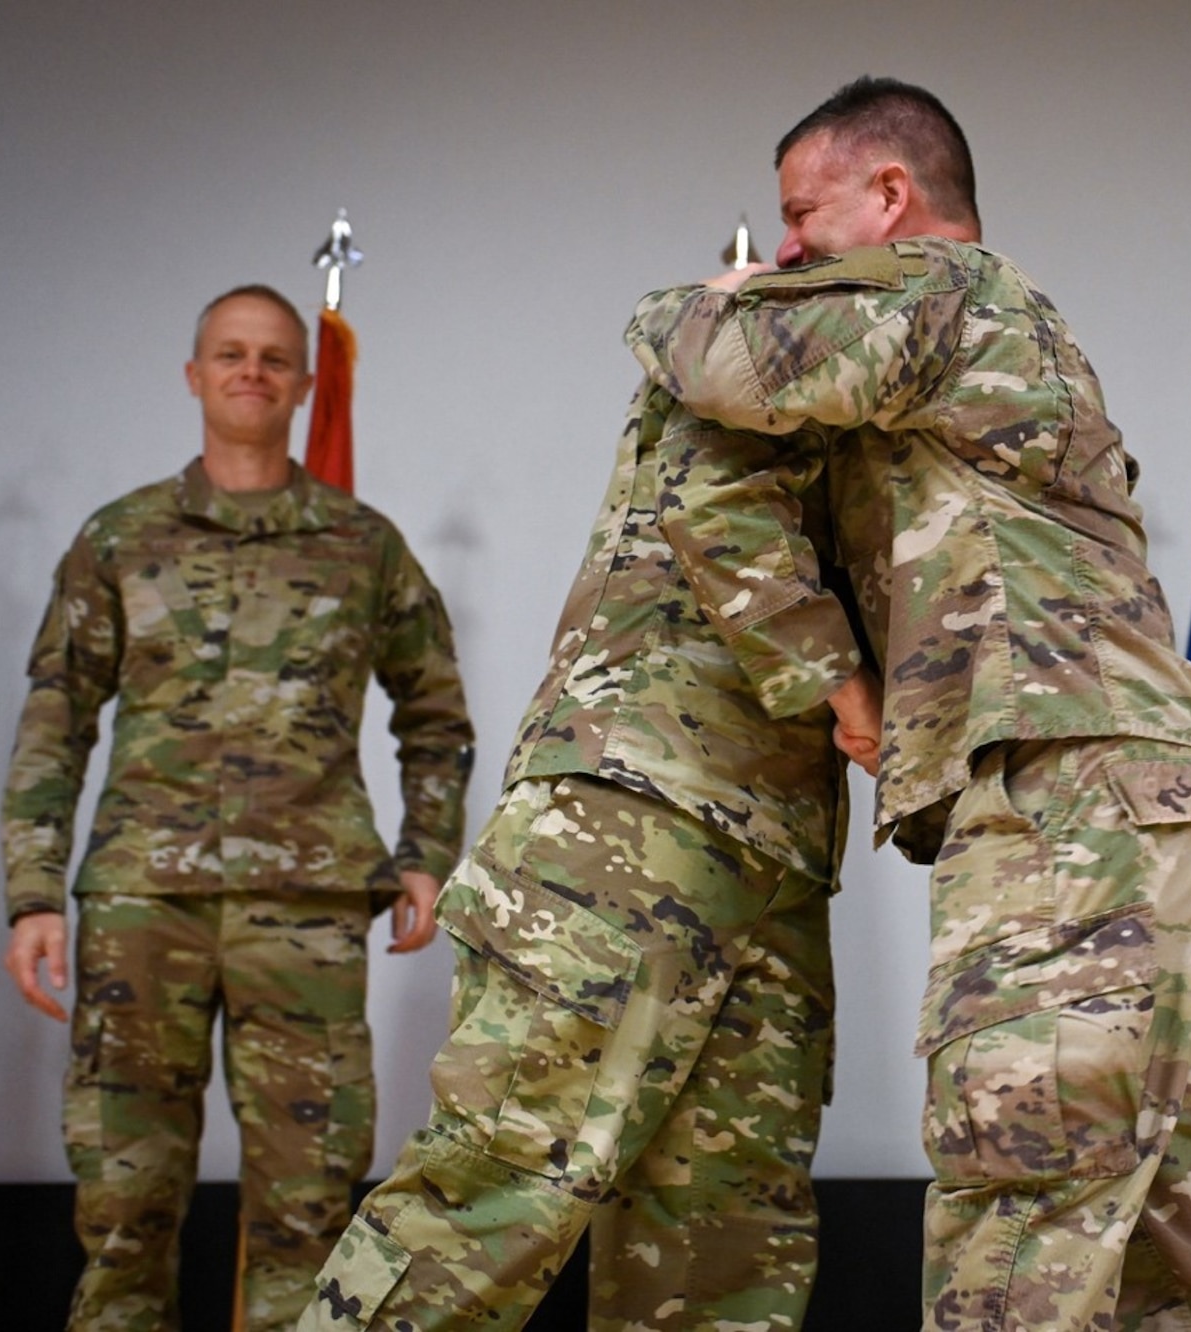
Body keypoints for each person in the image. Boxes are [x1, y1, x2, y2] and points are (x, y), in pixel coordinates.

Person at [628, 76, 1191, 1331]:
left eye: (802, 215)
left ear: (891, 194)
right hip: (1148, 809)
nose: (791, 246)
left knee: (1016, 1210)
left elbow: (726, 363)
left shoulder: (942, 288)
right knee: (1165, 1254)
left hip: (1062, 804)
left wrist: (701, 296)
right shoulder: (1000, 330)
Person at [299, 380, 880, 1330]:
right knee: (502, 1183)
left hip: (779, 850)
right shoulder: (761, 342)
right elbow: (714, 503)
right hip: (631, 811)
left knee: (723, 1231)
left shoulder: (900, 374)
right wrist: (852, 695)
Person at [1, 284, 475, 1332]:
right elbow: (55, 715)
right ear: (193, 375)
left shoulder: (363, 545)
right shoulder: (120, 537)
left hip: (303, 911)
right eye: (230, 354)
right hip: (141, 908)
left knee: (307, 1212)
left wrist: (423, 853)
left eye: (272, 357)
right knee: (123, 1210)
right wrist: (33, 893)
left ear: (305, 383)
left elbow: (435, 713)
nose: (251, 372)